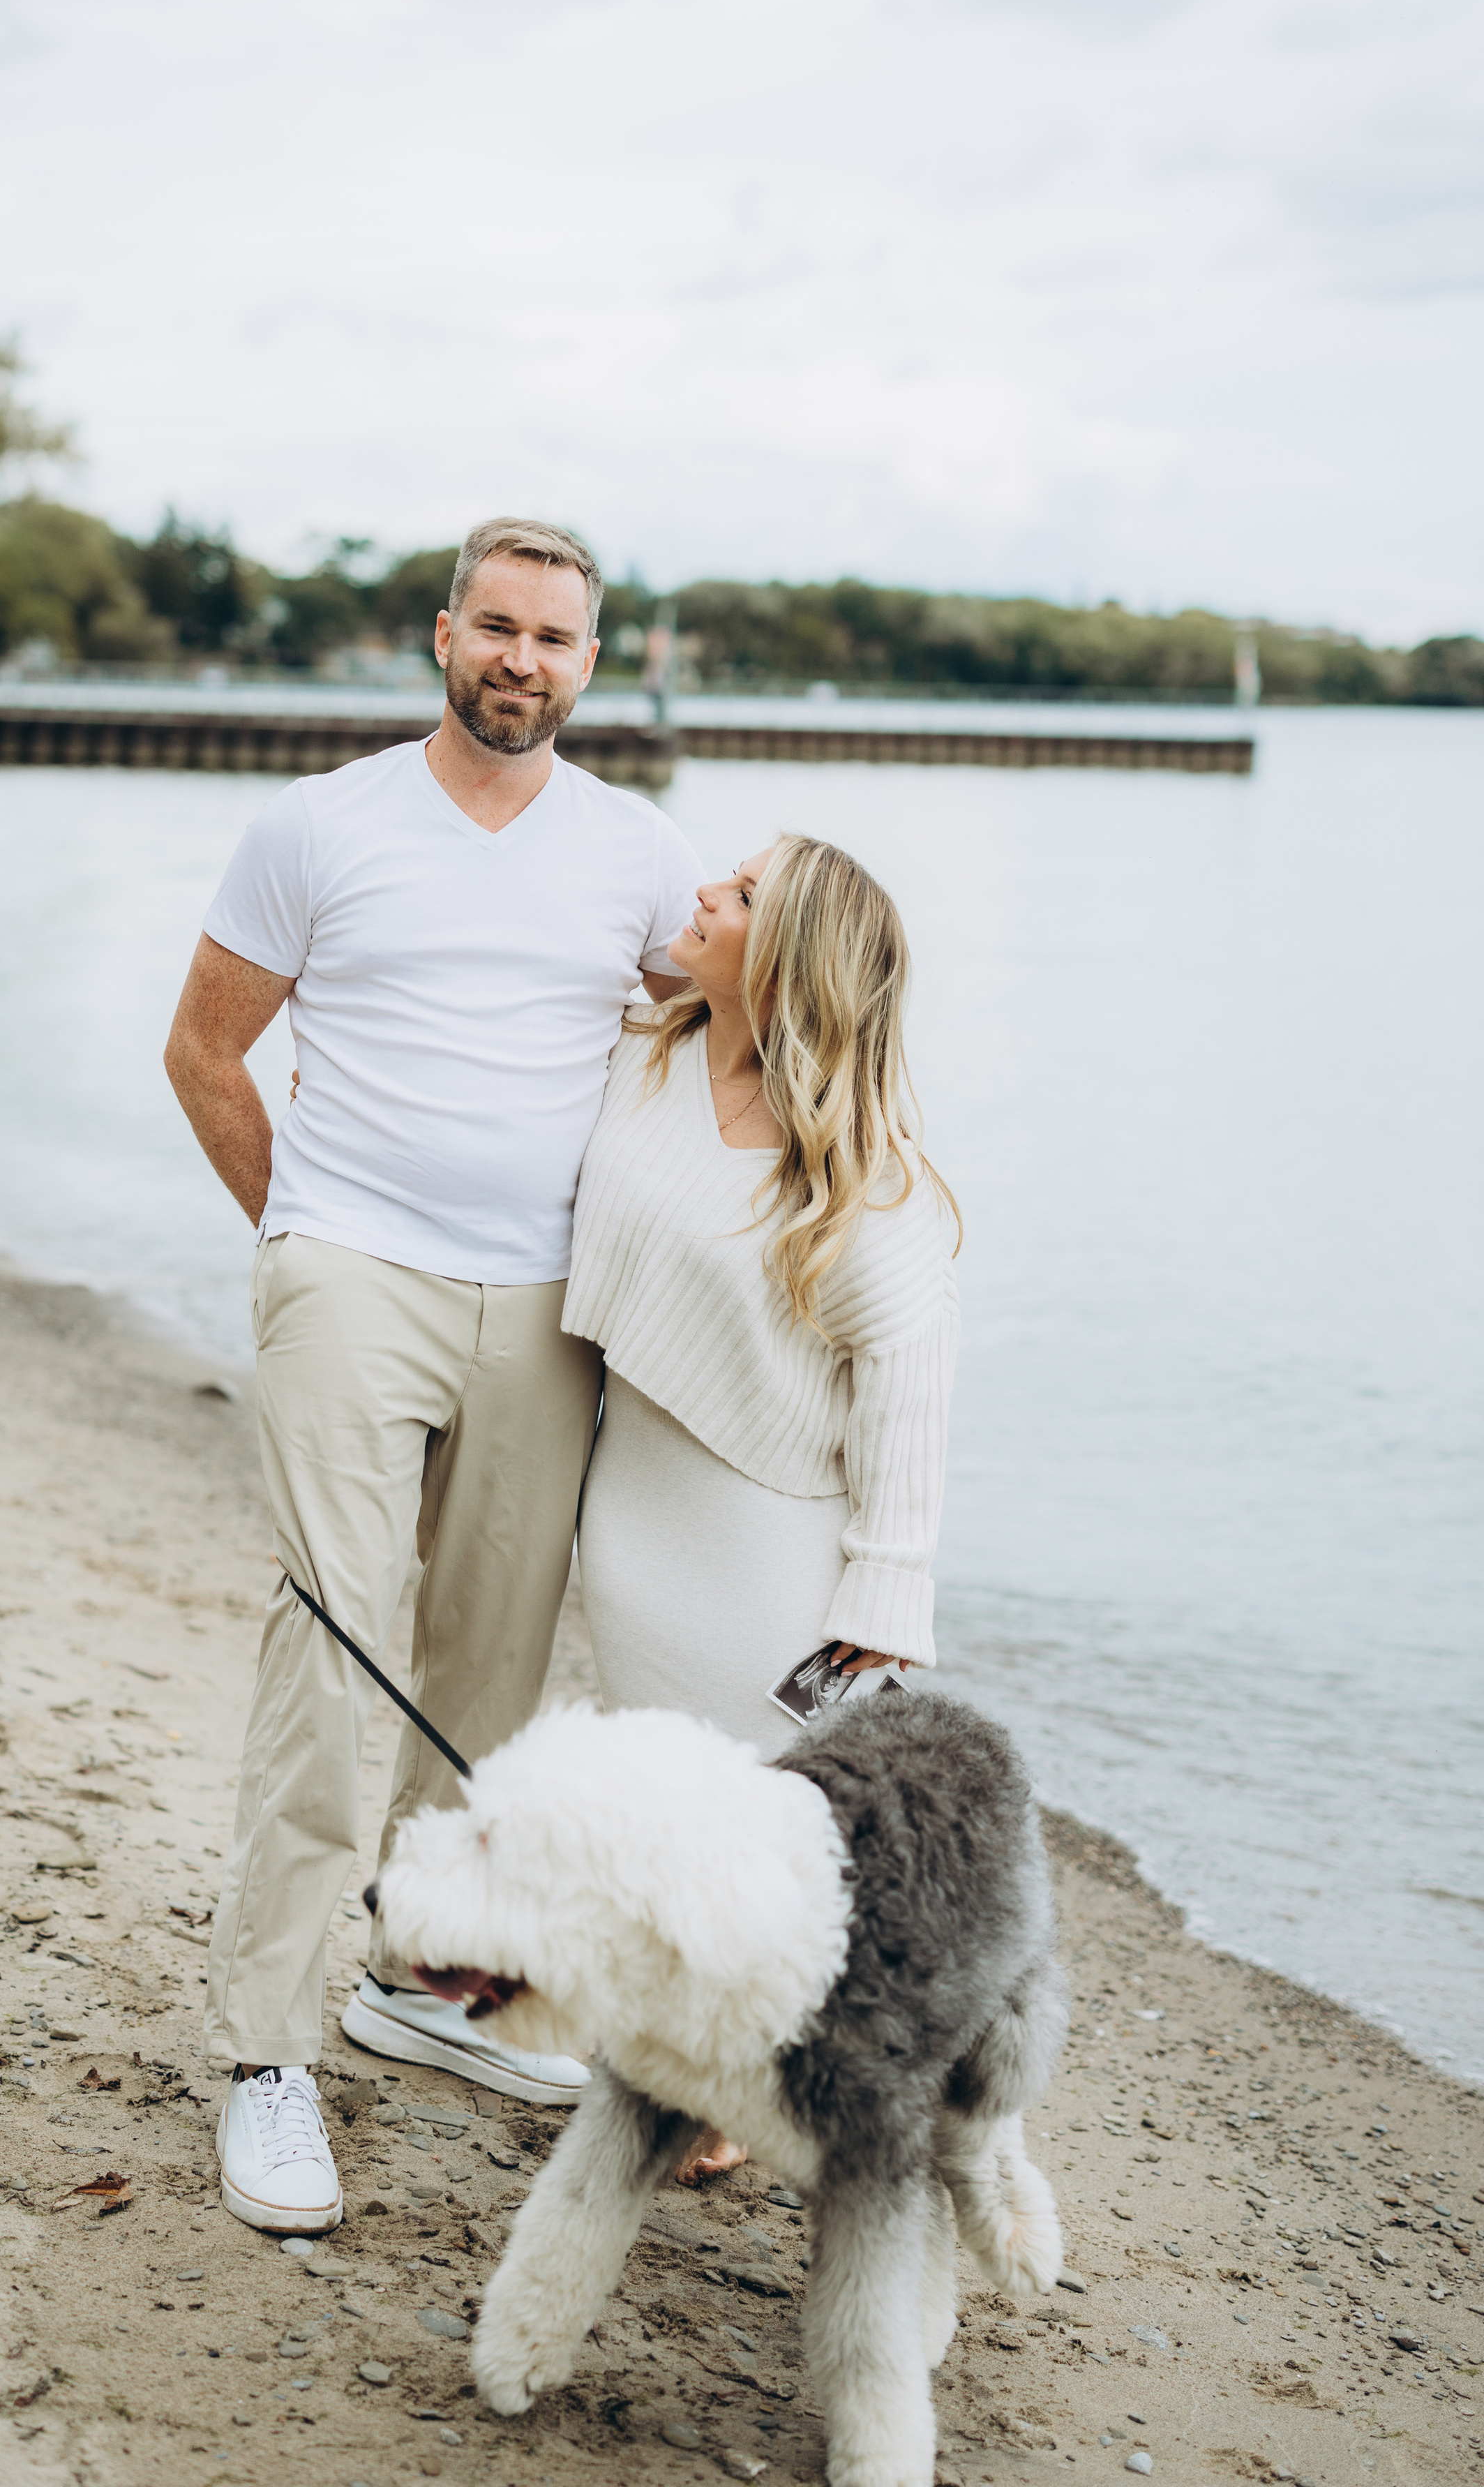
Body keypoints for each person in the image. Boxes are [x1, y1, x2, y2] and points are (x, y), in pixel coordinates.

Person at [163, 517, 702, 2243]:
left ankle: (415, 1975)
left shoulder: (632, 855)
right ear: (442, 636)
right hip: (352, 1275)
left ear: (590, 663)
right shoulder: (320, 825)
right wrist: (304, 1236)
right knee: (337, 1641)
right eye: (495, 627)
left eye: (555, 637)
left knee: (484, 1673)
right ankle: (264, 2054)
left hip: (545, 1305)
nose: (520, 661)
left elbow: (742, 1019)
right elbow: (205, 1048)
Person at [563, 831, 960, 2179]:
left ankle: (761, 2079)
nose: (701, 897)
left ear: (783, 958)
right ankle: (679, 2057)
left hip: (768, 1545)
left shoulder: (861, 1178)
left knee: (768, 1832)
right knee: (661, 1812)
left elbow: (910, 1398)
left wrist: (882, 1604)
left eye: (735, 897)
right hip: (632, 1513)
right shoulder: (650, 1053)